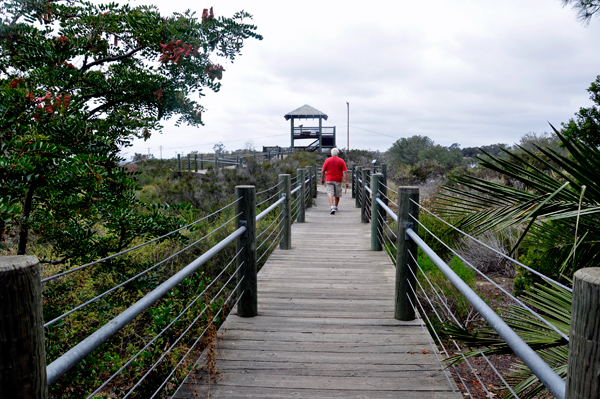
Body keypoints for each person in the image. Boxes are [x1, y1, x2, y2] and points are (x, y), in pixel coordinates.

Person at [321, 148, 349, 215]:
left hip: (329, 179)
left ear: (331, 154)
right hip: (338, 180)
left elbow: (323, 171)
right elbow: (345, 172)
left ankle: (332, 206)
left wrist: (322, 179)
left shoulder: (327, 160)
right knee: (337, 194)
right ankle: (336, 206)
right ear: (338, 154)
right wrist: (347, 181)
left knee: (330, 193)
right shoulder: (341, 161)